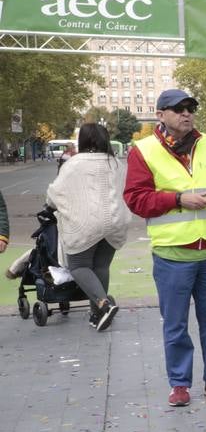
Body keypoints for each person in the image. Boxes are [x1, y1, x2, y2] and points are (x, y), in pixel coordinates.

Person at [123, 89, 206, 406]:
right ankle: (180, 384)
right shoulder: (144, 150)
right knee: (176, 324)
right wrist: (177, 199)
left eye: (190, 108)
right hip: (173, 256)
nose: (186, 113)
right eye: (178, 109)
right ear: (160, 114)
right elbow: (136, 199)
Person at [45, 123, 134, 331]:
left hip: (85, 224)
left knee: (79, 266)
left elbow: (56, 193)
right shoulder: (116, 163)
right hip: (114, 221)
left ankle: (103, 304)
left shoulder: (74, 164)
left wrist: (49, 205)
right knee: (101, 267)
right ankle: (97, 315)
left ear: (83, 140)